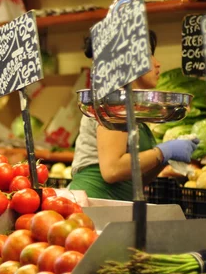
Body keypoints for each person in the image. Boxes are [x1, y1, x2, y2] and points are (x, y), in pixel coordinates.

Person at [69, 30, 199, 201]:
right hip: (94, 204)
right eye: (150, 55)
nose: (157, 63)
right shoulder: (114, 103)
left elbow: (136, 178)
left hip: (114, 205)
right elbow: (112, 170)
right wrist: (162, 152)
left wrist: (166, 158)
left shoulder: (132, 106)